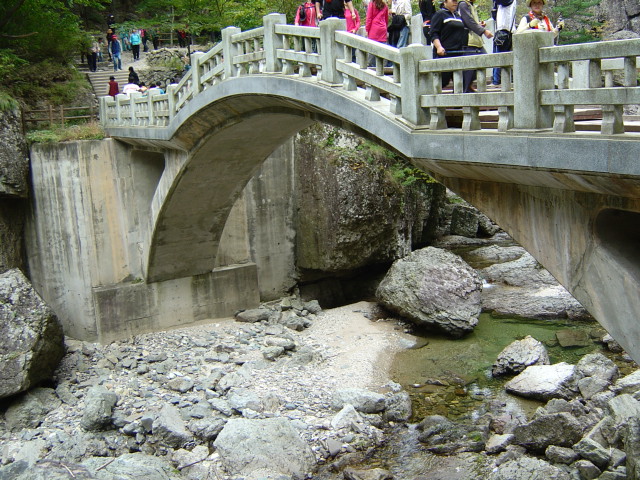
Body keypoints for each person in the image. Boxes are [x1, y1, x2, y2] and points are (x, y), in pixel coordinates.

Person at [430, 0, 467, 89]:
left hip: (458, 53)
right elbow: (433, 33)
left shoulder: (458, 16)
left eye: (456, 1)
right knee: (443, 81)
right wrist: (439, 47)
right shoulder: (440, 14)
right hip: (444, 53)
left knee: (461, 83)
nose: (455, 2)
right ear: (445, 2)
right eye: (453, 0)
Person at [458, 0, 493, 92]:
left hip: (476, 41)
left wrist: (479, 25)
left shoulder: (470, 5)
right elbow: (468, 21)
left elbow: (471, 21)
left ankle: (468, 87)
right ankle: (465, 90)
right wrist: (483, 31)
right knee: (468, 70)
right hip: (469, 41)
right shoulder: (463, 4)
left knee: (484, 60)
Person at [492, 0, 517, 85]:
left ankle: (497, 81)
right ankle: (499, 80)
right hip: (503, 30)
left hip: (505, 30)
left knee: (499, 58)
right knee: (499, 57)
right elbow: (494, 15)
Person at [366, 0, 389, 66]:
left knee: (372, 51)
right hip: (382, 29)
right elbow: (386, 19)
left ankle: (372, 67)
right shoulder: (385, 5)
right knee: (383, 49)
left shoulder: (371, 4)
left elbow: (369, 18)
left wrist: (367, 30)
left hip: (374, 29)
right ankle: (383, 67)